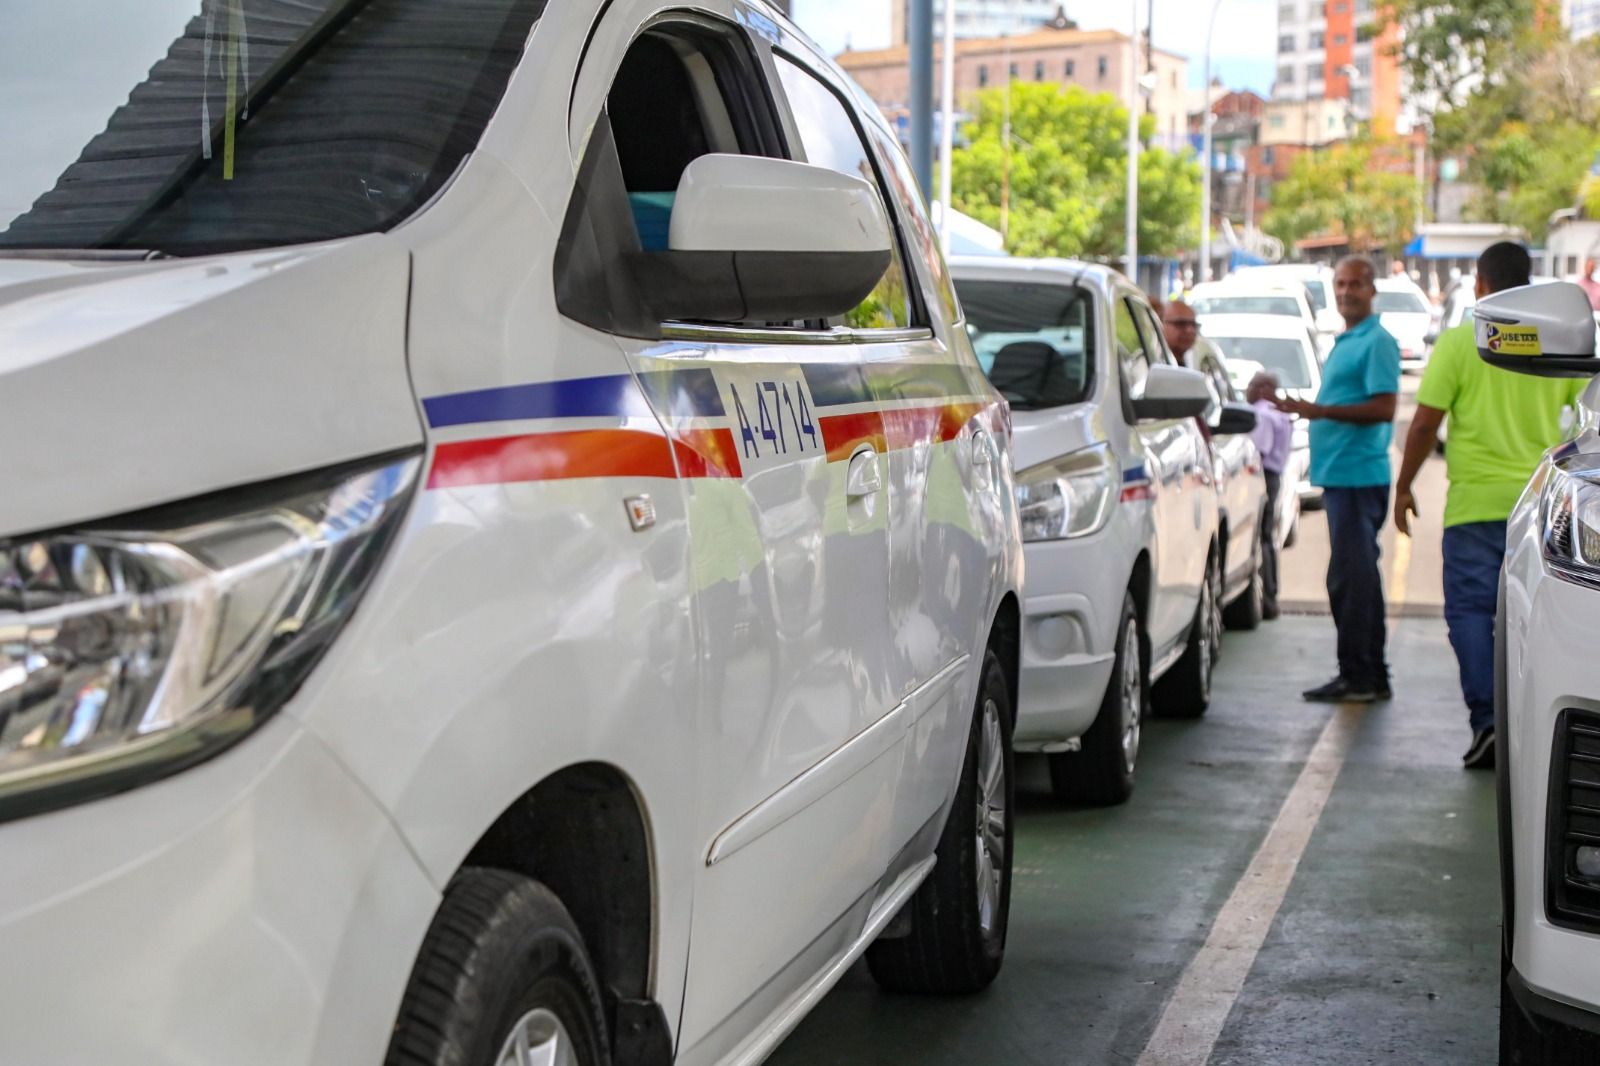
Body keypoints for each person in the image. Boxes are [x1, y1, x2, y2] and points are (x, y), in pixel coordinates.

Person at [1393, 242, 1587, 769]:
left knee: (1471, 614)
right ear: (1529, 286)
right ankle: (1529, 729)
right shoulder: (1554, 344)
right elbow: (1585, 420)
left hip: (1473, 507)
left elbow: (1425, 424)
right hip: (1541, 511)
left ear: (1479, 285)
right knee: (1536, 621)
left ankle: (1488, 723)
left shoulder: (1461, 343)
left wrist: (1404, 487)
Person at [1276, 256, 1400, 703]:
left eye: (1355, 284)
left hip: (1358, 476)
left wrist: (1320, 411)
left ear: (1372, 290)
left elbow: (1385, 408)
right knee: (1355, 577)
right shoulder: (1348, 339)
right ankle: (1369, 673)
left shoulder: (1377, 342)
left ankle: (1359, 676)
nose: (1346, 292)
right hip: (1341, 476)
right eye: (1341, 284)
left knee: (1351, 580)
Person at [1246, 371, 1292, 621]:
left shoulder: (1263, 414)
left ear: (1264, 388)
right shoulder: (1280, 413)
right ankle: (1271, 594)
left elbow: (1258, 452)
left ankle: (1267, 598)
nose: (1248, 390)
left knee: (1262, 537)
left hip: (1264, 476)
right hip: (1275, 475)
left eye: (1252, 385)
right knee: (1268, 536)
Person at [1160, 299, 1201, 368]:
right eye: (1181, 323)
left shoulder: (1192, 362)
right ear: (1161, 324)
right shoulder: (1155, 364)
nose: (1190, 330)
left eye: (1193, 324)